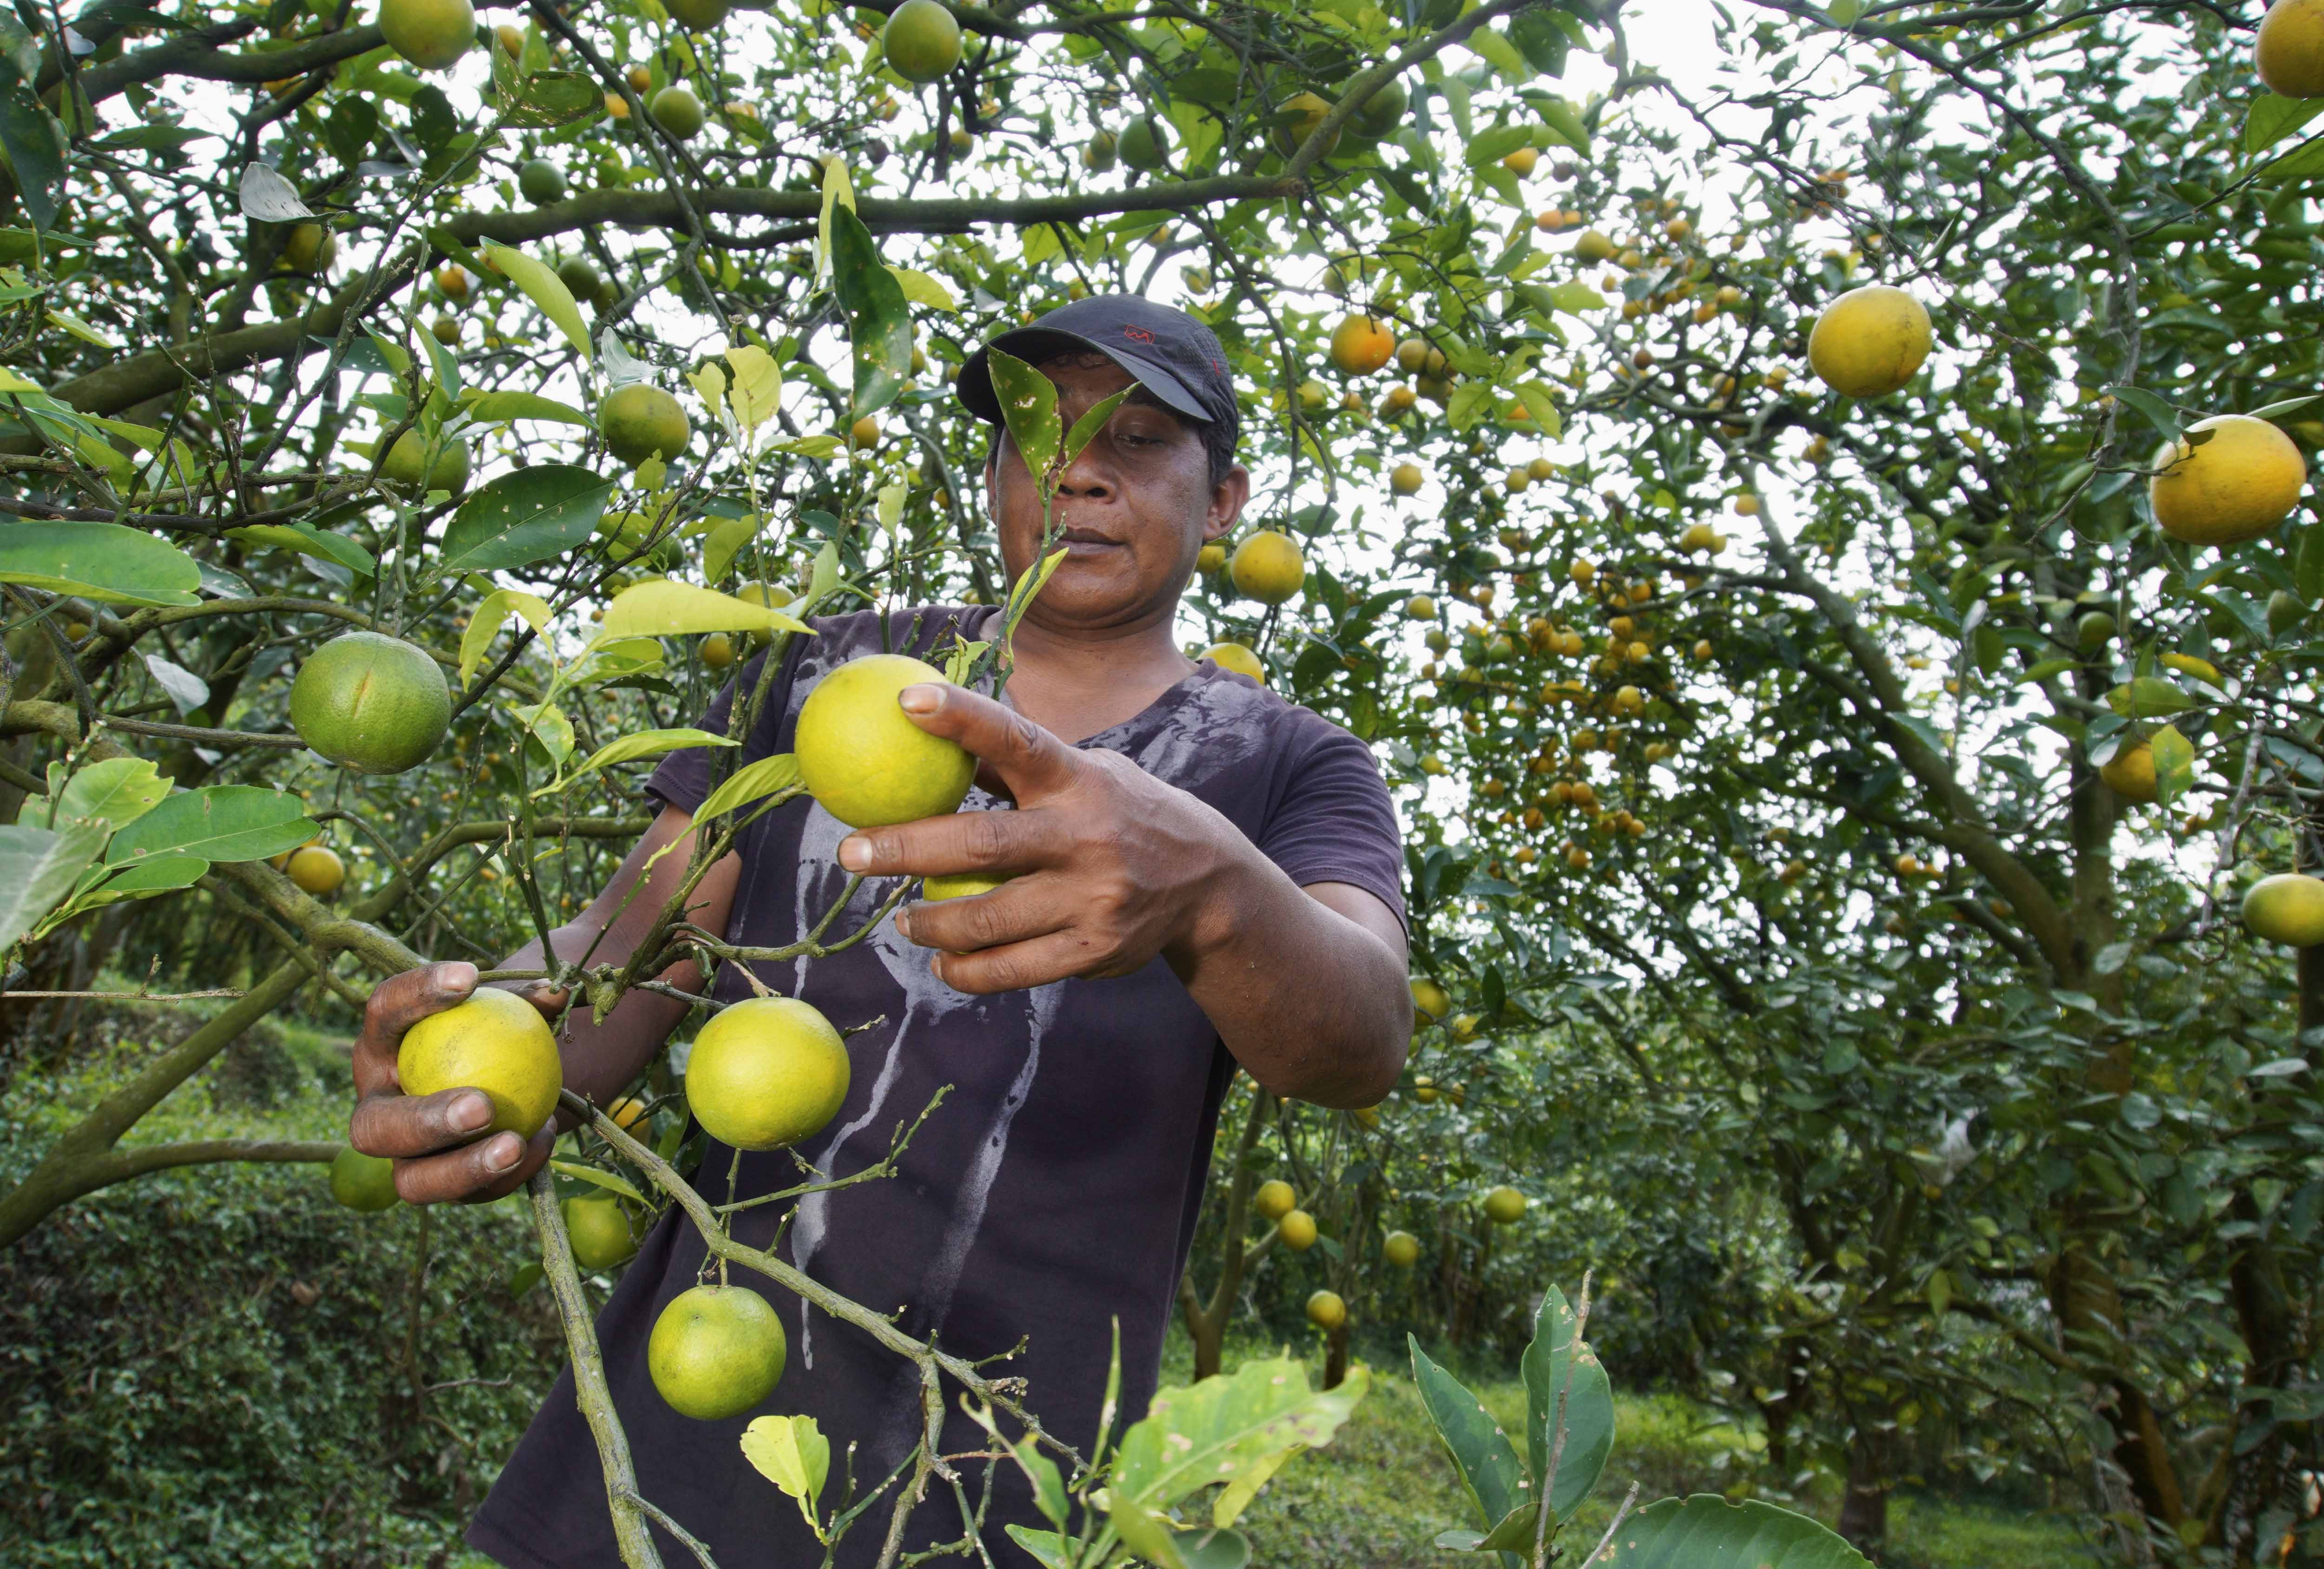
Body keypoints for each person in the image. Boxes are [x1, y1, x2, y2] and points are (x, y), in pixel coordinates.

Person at [349, 295, 1413, 1567]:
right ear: (995, 475)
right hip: (686, 1422)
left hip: (1008, 1476)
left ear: (1224, 499)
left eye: (1136, 442)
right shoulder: (817, 674)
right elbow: (632, 942)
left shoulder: (1291, 764)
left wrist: (1212, 889)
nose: (1080, 469)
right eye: (1044, 436)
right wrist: (483, 1041)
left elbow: (1358, 1037)